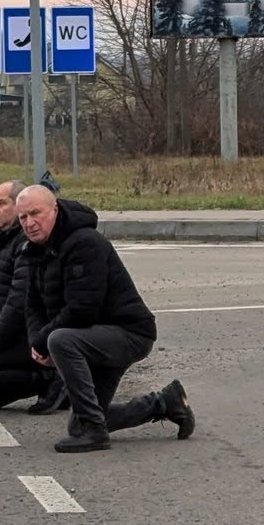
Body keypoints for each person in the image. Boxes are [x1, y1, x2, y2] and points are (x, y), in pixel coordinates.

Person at [18, 185, 194, 454]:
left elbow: (82, 308)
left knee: (60, 340)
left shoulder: (84, 242)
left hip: (129, 333)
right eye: (23, 217)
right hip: (94, 336)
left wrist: (45, 342)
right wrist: (35, 344)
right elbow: (31, 305)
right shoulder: (36, 250)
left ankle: (95, 432)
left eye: (35, 213)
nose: (29, 223)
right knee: (77, 425)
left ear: (54, 209)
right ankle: (165, 403)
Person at [0, 181, 57, 412]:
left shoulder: (24, 243)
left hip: (28, 336)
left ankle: (51, 380)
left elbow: (18, 300)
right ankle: (43, 380)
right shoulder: (2, 238)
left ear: (18, 206)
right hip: (11, 333)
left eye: (1, 203)